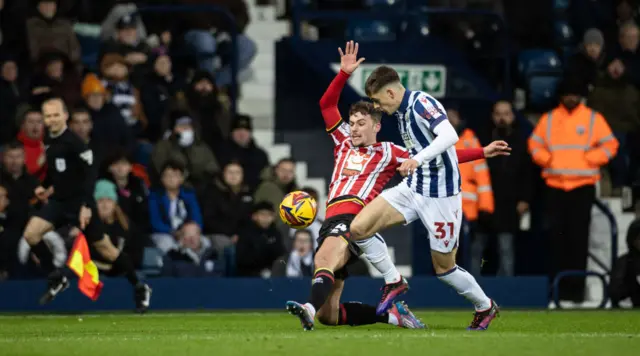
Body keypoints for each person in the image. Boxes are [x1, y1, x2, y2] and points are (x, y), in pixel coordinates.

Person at [285, 41, 510, 331]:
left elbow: (443, 150)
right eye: (351, 122)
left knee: (442, 268)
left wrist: (481, 152)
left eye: (360, 122)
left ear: (376, 126)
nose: (353, 127)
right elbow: (327, 104)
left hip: (416, 201)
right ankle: (392, 306)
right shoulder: (342, 140)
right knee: (331, 313)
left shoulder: (390, 151)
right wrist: (343, 74)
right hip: (355, 211)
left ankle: (484, 305)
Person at [344, 49, 502, 331]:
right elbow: (440, 148)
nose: (378, 107)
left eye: (379, 101)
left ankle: (485, 306)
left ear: (391, 94)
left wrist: (417, 159)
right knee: (358, 229)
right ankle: (394, 281)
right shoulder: (400, 112)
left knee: (444, 269)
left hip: (442, 197)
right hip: (413, 187)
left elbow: (449, 136)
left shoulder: (421, 103)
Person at [19, 96, 151, 312]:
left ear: (65, 116)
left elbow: (90, 177)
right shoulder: (50, 140)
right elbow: (58, 170)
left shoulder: (75, 143)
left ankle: (139, 287)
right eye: (48, 116)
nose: (51, 120)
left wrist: (87, 206)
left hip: (81, 203)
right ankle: (56, 277)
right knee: (31, 234)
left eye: (55, 115)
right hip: (60, 202)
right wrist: (46, 185)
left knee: (107, 250)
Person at [529, 78, 619, 302]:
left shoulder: (593, 118)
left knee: (579, 241)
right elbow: (534, 145)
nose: (571, 98)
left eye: (574, 94)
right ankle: (556, 293)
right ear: (560, 96)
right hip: (555, 187)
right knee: (556, 241)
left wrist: (590, 159)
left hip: (582, 187)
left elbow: (611, 145)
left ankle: (576, 294)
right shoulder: (549, 119)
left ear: (580, 96)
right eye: (567, 94)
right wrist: (548, 160)